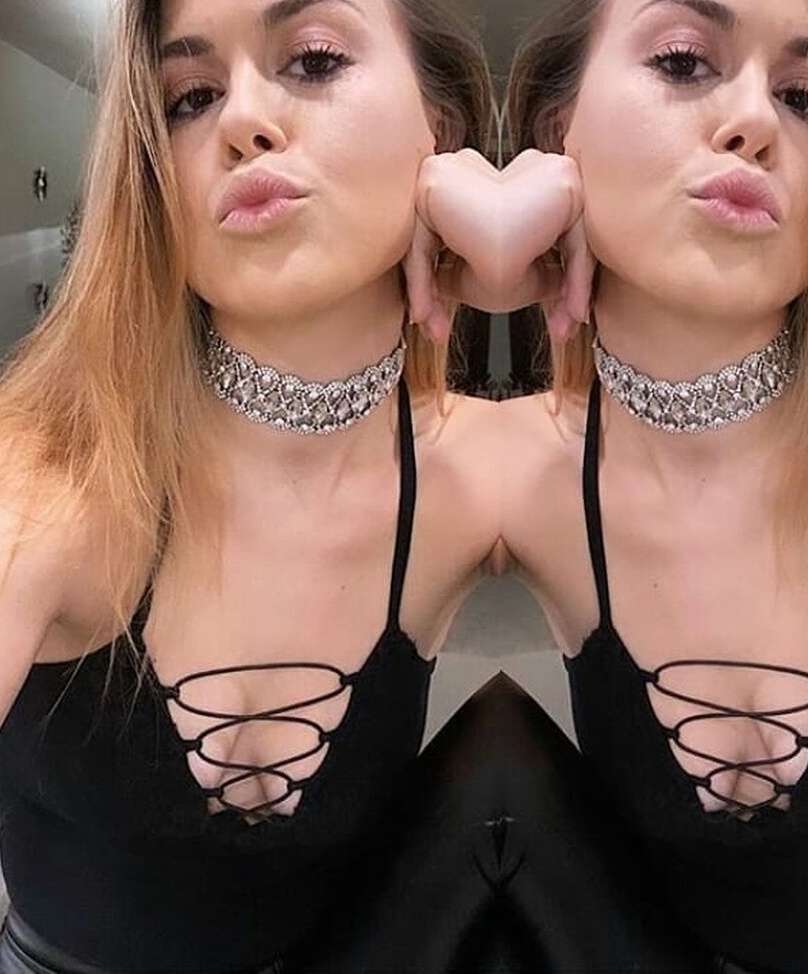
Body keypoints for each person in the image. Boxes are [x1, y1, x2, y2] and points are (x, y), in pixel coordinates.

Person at [0, 0, 501, 970]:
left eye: (312, 59)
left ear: (439, 131)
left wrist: (523, 244)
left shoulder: (483, 474)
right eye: (189, 98)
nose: (241, 120)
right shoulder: (47, 477)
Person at [498, 0, 808, 970]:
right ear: (557, 132)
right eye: (683, 61)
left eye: (806, 98)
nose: (754, 119)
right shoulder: (516, 476)